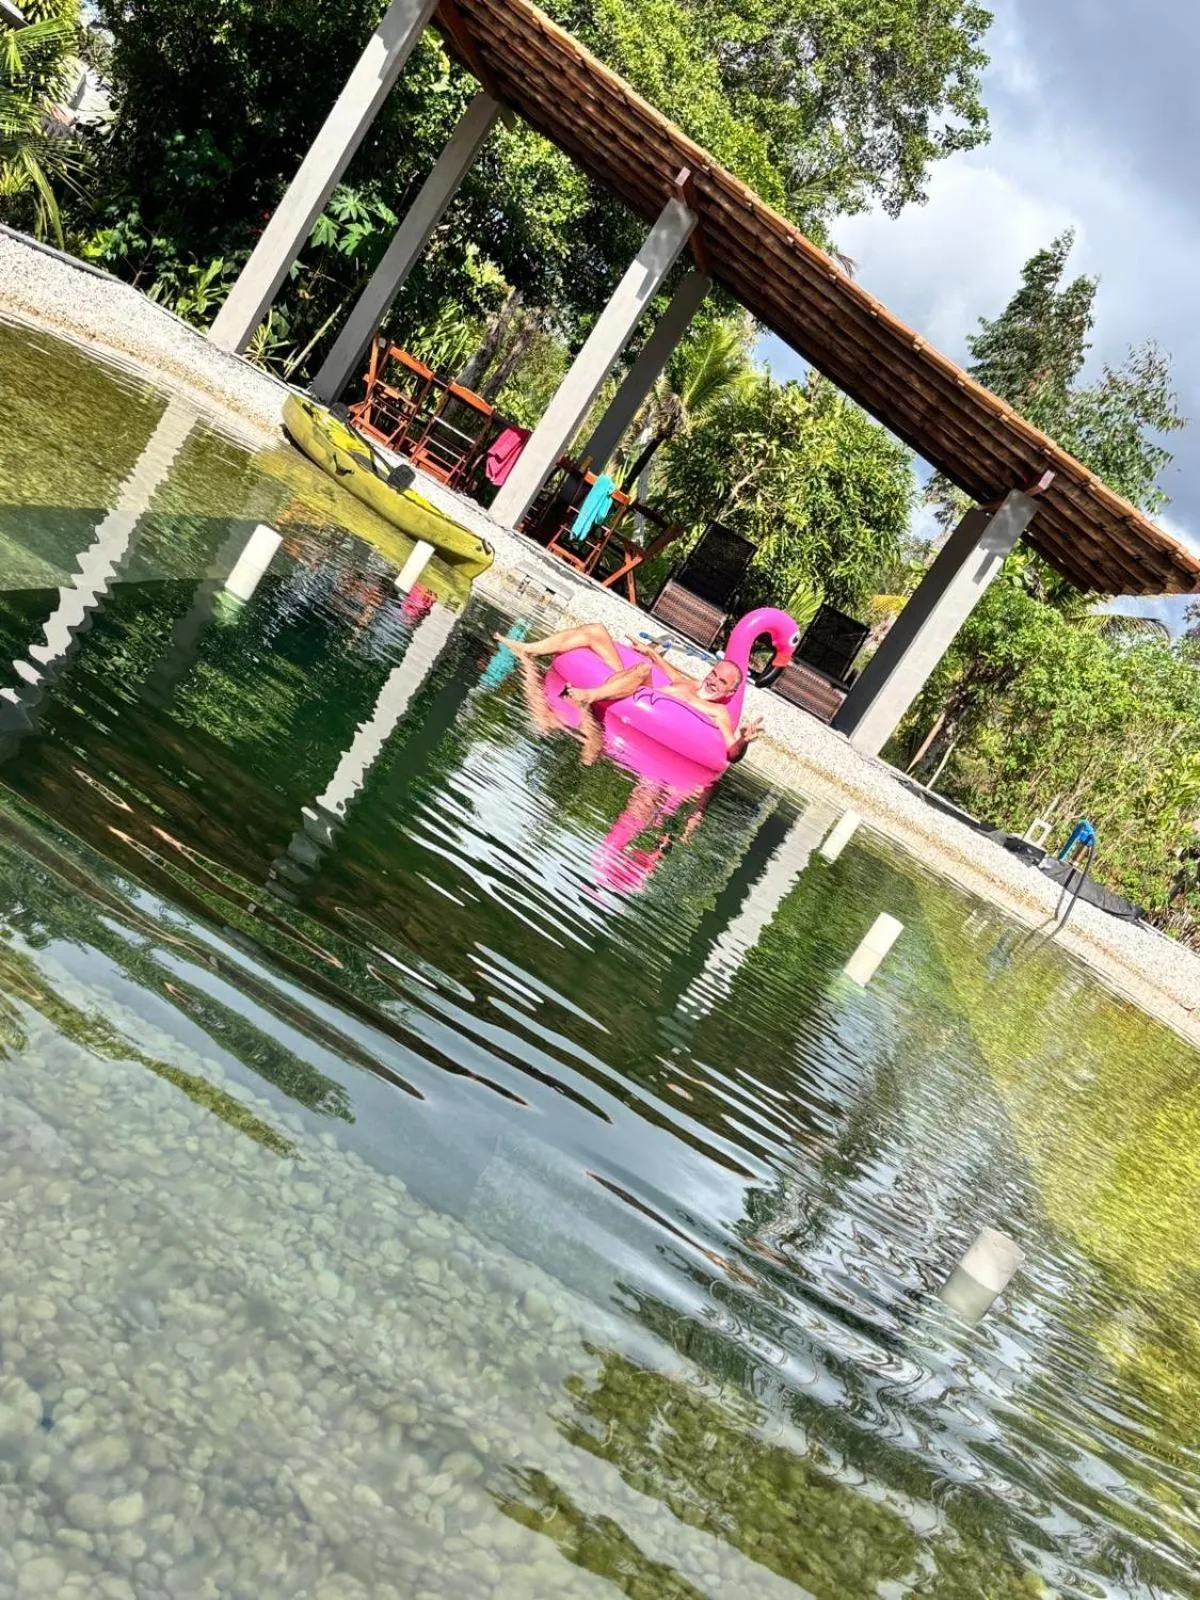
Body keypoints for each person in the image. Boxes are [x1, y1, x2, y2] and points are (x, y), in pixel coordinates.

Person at [500, 620, 763, 764]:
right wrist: (649, 652)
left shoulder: (718, 711)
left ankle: (588, 696)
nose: (712, 680)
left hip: (646, 703)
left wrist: (744, 741)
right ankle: (528, 648)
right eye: (713, 673)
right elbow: (669, 671)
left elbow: (731, 752)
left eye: (720, 681)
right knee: (596, 630)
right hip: (627, 687)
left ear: (730, 691)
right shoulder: (691, 684)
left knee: (641, 670)